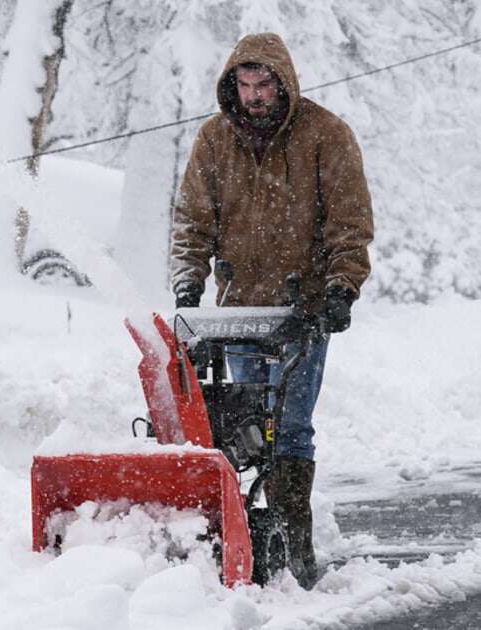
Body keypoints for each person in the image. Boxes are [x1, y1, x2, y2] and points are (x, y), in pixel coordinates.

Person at [169, 33, 374, 589]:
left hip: (302, 312)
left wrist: (340, 288)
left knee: (288, 427)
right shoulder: (214, 140)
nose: (255, 96)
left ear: (283, 84)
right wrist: (189, 285)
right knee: (241, 427)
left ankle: (295, 543)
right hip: (237, 310)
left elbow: (349, 222)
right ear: (232, 85)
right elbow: (192, 221)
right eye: (246, 85)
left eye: (265, 86)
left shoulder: (325, 136)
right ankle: (242, 534)